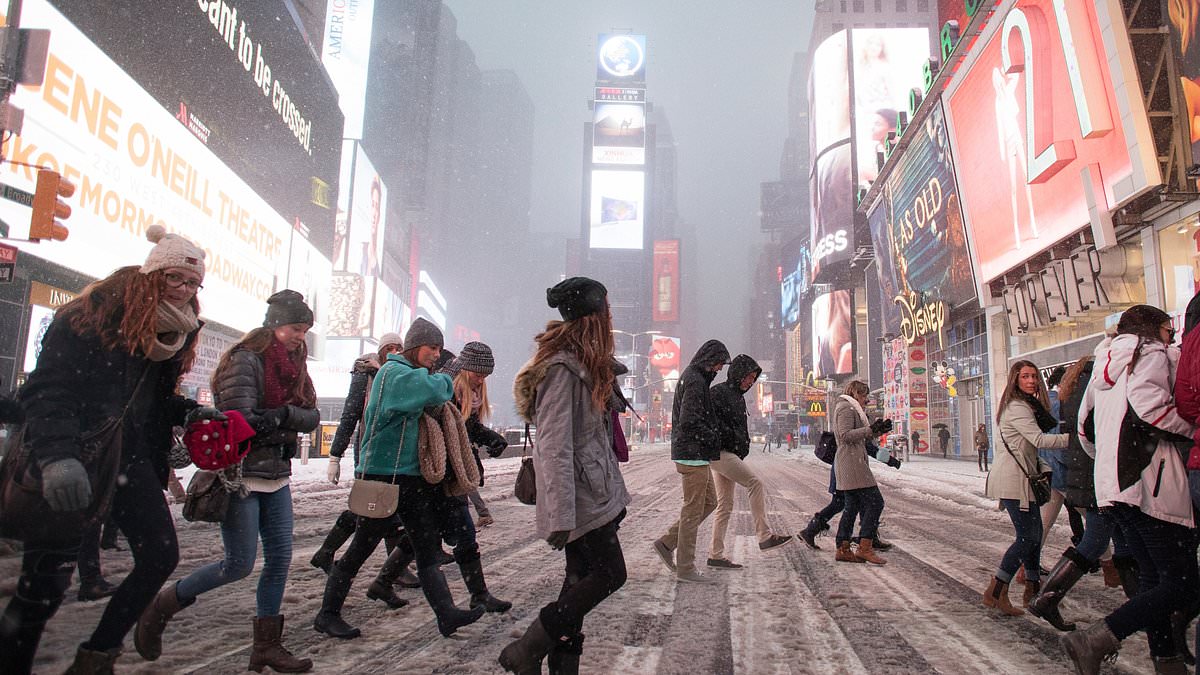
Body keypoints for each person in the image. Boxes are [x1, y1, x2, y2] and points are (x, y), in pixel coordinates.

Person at [0, 226, 210, 674]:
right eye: (177, 278)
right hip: (77, 457)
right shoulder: (90, 316)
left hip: (129, 462)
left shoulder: (176, 331)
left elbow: (149, 402)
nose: (186, 290)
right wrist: (58, 457)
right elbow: (47, 391)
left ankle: (96, 658)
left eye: (194, 283)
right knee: (42, 588)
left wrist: (189, 411)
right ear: (153, 274)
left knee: (159, 557)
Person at [136, 290, 320, 673]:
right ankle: (164, 604)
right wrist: (285, 420)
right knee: (237, 563)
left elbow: (310, 415)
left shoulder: (294, 362)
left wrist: (282, 415)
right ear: (273, 325)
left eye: (303, 330)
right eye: (293, 328)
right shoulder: (245, 360)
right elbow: (240, 420)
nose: (299, 336)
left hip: (276, 475)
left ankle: (266, 647)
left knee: (280, 560)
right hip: (239, 474)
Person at [313, 318, 487, 640]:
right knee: (360, 549)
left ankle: (446, 614)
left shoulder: (404, 374)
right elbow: (436, 391)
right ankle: (327, 614)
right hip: (382, 477)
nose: (436, 354)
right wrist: (451, 371)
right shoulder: (393, 375)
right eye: (432, 348)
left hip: (407, 478)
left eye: (438, 348)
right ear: (414, 346)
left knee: (425, 549)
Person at [500, 277, 631, 674]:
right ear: (591, 316)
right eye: (605, 310)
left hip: (591, 490)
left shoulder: (586, 364)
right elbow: (553, 446)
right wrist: (559, 513)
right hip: (578, 494)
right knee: (610, 574)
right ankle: (527, 648)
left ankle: (561, 664)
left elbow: (594, 438)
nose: (610, 317)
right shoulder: (562, 369)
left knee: (577, 581)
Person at [1062, 305, 1199, 673]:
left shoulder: (1105, 363)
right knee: (1182, 583)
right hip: (1149, 484)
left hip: (1113, 488)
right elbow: (1150, 408)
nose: (1172, 337)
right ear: (1155, 329)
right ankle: (1097, 639)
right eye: (1169, 331)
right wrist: (1191, 432)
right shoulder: (1149, 352)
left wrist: (1107, 463)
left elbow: (1084, 426)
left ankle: (1166, 660)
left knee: (1154, 578)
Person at [311, 333, 421, 606]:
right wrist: (335, 455)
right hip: (370, 452)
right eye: (389, 347)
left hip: (388, 455)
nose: (394, 351)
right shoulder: (367, 375)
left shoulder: (399, 374)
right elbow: (349, 414)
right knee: (376, 512)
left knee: (371, 511)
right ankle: (389, 573)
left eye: (398, 347)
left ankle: (328, 553)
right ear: (381, 350)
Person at [1030, 356, 1136, 632]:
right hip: (1097, 477)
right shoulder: (1096, 393)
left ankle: (1140, 601)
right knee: (1101, 539)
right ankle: (1142, 605)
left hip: (1087, 476)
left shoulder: (1070, 397)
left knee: (1112, 537)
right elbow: (1084, 440)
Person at [982, 361, 1067, 617]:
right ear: (1015, 380)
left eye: (1034, 376)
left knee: (1034, 534)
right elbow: (1039, 440)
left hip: (1022, 478)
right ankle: (996, 590)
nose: (1031, 381)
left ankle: (1032, 587)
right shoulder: (1018, 407)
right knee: (1027, 538)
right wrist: (1076, 438)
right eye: (1025, 376)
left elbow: (1027, 447)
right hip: (1014, 481)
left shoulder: (1027, 405)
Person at [651, 339, 731, 584]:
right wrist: (713, 435)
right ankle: (685, 567)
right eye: (718, 363)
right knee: (693, 508)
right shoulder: (695, 382)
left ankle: (667, 543)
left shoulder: (695, 378)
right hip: (692, 453)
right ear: (708, 359)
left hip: (696, 453)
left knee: (709, 502)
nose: (719, 369)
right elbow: (689, 421)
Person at [706, 354, 792, 569]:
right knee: (755, 483)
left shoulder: (737, 396)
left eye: (754, 378)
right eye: (748, 377)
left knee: (724, 505)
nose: (751, 382)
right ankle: (764, 536)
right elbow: (712, 423)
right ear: (738, 374)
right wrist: (732, 440)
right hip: (721, 453)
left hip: (728, 453)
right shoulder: (719, 393)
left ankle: (715, 555)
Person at [444, 342, 509, 528]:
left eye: (485, 376)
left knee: (454, 531)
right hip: (448, 469)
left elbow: (470, 428)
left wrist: (493, 439)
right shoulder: (447, 393)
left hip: (456, 469)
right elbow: (457, 430)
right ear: (465, 370)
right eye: (478, 375)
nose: (481, 380)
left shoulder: (470, 396)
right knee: (455, 530)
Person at [831, 380, 893, 565]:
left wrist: (876, 431)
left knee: (852, 507)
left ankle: (843, 548)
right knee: (875, 502)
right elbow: (845, 435)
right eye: (863, 395)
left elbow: (857, 435)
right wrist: (869, 430)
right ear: (854, 393)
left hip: (852, 462)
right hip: (852, 464)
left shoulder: (853, 409)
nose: (866, 399)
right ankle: (865, 547)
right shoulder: (846, 408)